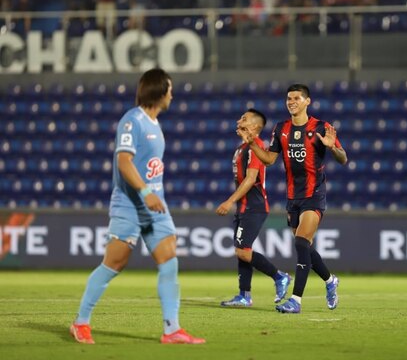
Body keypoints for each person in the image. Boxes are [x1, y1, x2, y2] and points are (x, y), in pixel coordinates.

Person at [70, 69, 205, 344]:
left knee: (169, 261)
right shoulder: (133, 121)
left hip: (156, 206)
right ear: (158, 91)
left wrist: (153, 195)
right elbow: (124, 162)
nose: (172, 94)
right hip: (130, 205)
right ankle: (80, 322)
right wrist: (145, 192)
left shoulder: (155, 123)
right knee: (114, 263)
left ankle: (172, 329)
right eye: (169, 89)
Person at [239, 84, 348, 314]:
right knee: (305, 247)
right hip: (293, 197)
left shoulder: (321, 127)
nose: (292, 102)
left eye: (297, 98)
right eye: (289, 98)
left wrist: (332, 149)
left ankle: (296, 300)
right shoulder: (281, 129)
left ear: (307, 101)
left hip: (314, 194)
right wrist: (251, 143)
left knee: (300, 243)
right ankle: (330, 281)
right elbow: (269, 159)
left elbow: (343, 158)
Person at [217, 109, 293, 307]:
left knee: (243, 251)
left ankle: (279, 277)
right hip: (245, 207)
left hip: (254, 206)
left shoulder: (256, 147)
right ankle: (244, 295)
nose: (238, 120)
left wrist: (229, 201)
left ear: (255, 127)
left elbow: (251, 180)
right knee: (242, 250)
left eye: (244, 119)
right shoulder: (242, 147)